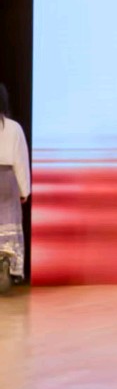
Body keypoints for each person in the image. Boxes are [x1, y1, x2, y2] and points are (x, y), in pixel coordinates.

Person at [0, 84, 31, 294]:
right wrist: (24, 190)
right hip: (7, 178)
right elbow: (21, 160)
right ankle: (4, 259)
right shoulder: (13, 128)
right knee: (7, 221)